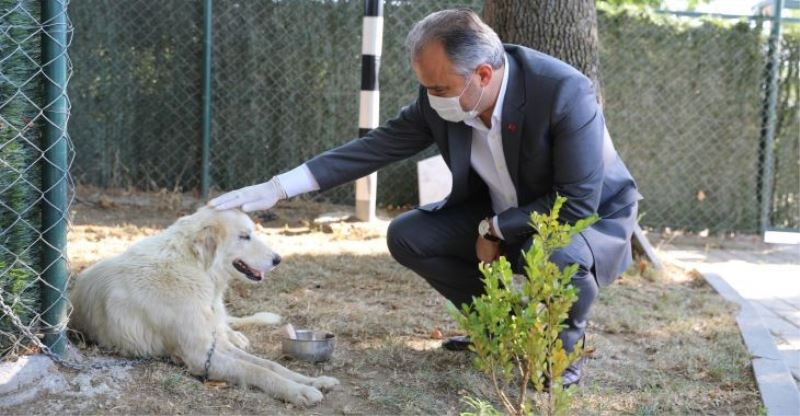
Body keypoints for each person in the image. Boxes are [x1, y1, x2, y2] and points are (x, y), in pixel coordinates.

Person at [209, 9, 641, 387]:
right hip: (496, 209)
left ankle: (558, 356)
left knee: (556, 253)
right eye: (427, 87)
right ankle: (496, 330)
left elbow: (576, 202)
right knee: (408, 234)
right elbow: (376, 146)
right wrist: (279, 187)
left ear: (484, 75)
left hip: (585, 221)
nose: (432, 97)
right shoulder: (442, 96)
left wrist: (495, 229)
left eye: (439, 88)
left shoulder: (564, 91)